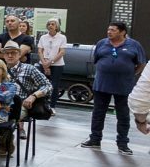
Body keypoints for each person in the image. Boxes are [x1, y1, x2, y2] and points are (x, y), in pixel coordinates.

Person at [82, 22, 146, 155]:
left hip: (123, 86)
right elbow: (97, 60)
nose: (109, 32)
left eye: (113, 30)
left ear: (123, 32)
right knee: (98, 113)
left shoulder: (134, 45)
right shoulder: (102, 43)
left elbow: (141, 63)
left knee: (123, 115)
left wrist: (131, 73)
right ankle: (95, 139)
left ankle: (123, 143)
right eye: (108, 29)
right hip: (102, 85)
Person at [0, 41, 53, 155]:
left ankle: (4, 142)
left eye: (13, 53)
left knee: (7, 118)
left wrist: (34, 96)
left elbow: (48, 86)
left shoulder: (29, 68)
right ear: (3, 55)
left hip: (21, 104)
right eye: (7, 53)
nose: (10, 55)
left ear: (19, 54)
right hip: (0, 103)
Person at [37, 18, 67, 108]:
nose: (50, 26)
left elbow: (62, 52)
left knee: (54, 85)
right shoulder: (43, 37)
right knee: (42, 84)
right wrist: (44, 64)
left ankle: (52, 106)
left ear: (56, 26)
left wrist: (50, 62)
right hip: (43, 63)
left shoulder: (62, 37)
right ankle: (41, 105)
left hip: (57, 65)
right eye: (49, 24)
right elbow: (40, 51)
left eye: (53, 24)